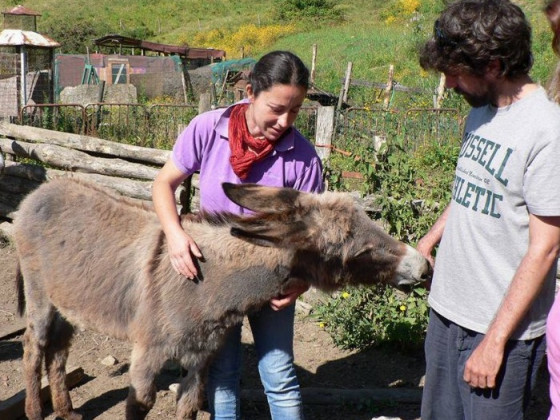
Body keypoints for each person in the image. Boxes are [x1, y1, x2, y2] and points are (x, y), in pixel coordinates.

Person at [152, 50, 323, 420]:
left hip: (275, 281)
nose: (284, 121)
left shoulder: (304, 158)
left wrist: (303, 281)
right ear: (250, 92)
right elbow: (163, 184)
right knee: (223, 372)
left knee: (278, 375)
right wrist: (175, 236)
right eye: (276, 108)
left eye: (294, 111)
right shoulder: (207, 129)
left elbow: (312, 236)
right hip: (216, 276)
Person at [416, 1, 560, 419]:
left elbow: (546, 249)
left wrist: (495, 341)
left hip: (500, 330)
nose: (449, 83)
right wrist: (430, 237)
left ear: (494, 65)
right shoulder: (481, 112)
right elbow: (471, 188)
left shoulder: (547, 131)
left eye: (455, 73)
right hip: (446, 311)